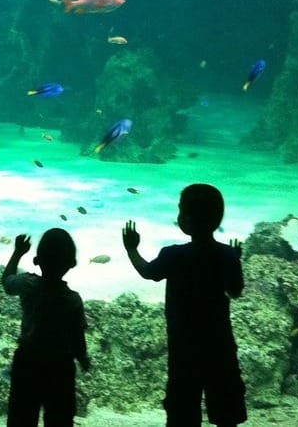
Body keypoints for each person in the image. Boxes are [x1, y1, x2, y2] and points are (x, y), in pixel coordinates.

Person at [122, 183, 247, 427]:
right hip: (219, 345)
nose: (178, 216)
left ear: (187, 219)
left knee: (182, 409)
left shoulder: (173, 255)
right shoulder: (227, 255)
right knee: (226, 409)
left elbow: (148, 272)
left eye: (180, 210)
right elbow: (235, 291)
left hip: (184, 347)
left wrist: (131, 249)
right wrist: (235, 260)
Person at [2, 228, 90, 427]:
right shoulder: (72, 300)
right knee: (59, 419)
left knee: (21, 418)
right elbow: (78, 337)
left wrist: (17, 253)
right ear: (72, 263)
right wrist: (83, 358)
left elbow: (7, 282)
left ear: (36, 260)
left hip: (28, 361)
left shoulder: (26, 284)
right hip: (60, 367)